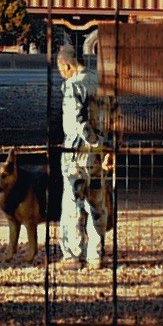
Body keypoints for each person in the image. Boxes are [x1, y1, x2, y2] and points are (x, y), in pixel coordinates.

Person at [53, 21, 115, 269]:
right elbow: (114, 117)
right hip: (100, 156)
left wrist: (93, 142)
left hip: (77, 153)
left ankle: (72, 254)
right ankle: (96, 254)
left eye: (61, 70)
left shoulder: (72, 85)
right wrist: (108, 147)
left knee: (73, 202)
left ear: (65, 65)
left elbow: (77, 122)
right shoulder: (101, 82)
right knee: (98, 203)